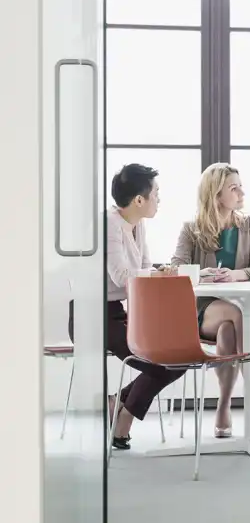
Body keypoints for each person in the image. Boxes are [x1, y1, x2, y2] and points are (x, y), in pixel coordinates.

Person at [68, 163, 187, 450]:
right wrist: (155, 275)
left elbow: (144, 269)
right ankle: (124, 422)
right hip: (92, 317)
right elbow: (121, 276)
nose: (159, 199)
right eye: (156, 193)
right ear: (139, 200)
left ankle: (118, 401)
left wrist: (158, 273)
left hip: (119, 312)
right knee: (161, 363)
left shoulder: (137, 225)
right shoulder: (108, 223)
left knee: (178, 357)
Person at [171, 162, 250, 438]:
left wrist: (236, 275)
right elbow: (177, 269)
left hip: (244, 309)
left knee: (230, 329)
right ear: (216, 194)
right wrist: (204, 275)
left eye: (241, 186)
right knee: (235, 315)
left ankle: (223, 405)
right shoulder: (191, 229)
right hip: (206, 311)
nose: (242, 193)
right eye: (234, 188)